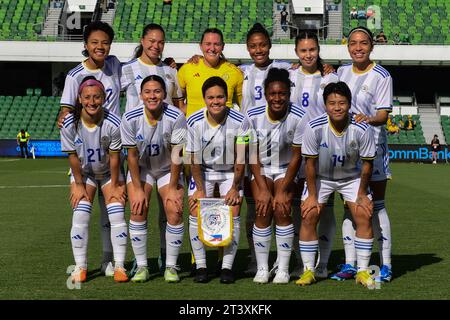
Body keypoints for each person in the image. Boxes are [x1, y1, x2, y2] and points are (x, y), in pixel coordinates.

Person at [296, 81, 376, 288]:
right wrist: (312, 196)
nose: (337, 107)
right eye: (332, 103)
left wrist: (361, 194)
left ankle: (363, 271)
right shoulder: (314, 127)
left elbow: (367, 164)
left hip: (351, 177)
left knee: (363, 213)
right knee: (309, 214)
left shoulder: (362, 128)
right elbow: (310, 164)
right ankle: (308, 270)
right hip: (322, 177)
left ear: (349, 104)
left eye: (342, 102)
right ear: (325, 105)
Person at [58, 21, 122, 277]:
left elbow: (143, 66)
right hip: (85, 158)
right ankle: (82, 266)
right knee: (82, 210)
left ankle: (111, 261)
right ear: (85, 45)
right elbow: (66, 110)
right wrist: (76, 181)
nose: (100, 46)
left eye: (104, 42)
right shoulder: (75, 76)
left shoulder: (115, 65)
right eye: (94, 42)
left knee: (112, 211)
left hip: (112, 150)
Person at [335, 26, 393, 282]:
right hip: (348, 149)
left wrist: (367, 119)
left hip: (374, 147)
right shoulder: (341, 71)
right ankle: (350, 264)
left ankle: (386, 264)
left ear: (371, 46)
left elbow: (383, 114)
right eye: (353, 43)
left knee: (376, 205)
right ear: (348, 46)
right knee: (350, 206)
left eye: (363, 43)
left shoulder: (382, 75)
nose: (358, 47)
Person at [60, 77, 128, 283]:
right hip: (85, 174)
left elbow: (115, 157)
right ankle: (80, 266)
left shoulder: (114, 123)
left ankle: (118, 266)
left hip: (109, 173)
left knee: (116, 214)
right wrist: (78, 185)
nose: (92, 102)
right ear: (79, 98)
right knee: (80, 214)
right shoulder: (69, 124)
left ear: (104, 98)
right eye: (87, 97)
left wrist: (115, 185)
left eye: (97, 97)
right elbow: (72, 156)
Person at [120, 75, 186, 283]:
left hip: (168, 169)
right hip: (142, 169)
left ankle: (170, 266)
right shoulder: (130, 118)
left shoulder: (176, 116)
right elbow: (131, 156)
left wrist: (174, 187)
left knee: (174, 210)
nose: (152, 96)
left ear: (165, 95)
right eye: (147, 92)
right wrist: (138, 188)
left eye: (157, 91)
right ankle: (141, 267)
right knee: (138, 208)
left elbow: (177, 154)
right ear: (140, 95)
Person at [239, 22, 292, 276]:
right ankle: (255, 259)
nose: (258, 49)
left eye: (262, 45)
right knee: (256, 208)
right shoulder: (241, 71)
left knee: (284, 207)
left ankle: (285, 262)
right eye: (253, 46)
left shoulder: (284, 68)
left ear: (269, 46)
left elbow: (310, 71)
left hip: (283, 145)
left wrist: (325, 67)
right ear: (247, 49)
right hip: (252, 144)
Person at [247, 68, 307, 284]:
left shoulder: (300, 116)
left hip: (285, 168)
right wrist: (263, 189)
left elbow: (297, 157)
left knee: (282, 209)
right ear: (265, 95)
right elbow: (251, 154)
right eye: (272, 94)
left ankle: (282, 268)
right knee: (262, 211)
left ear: (289, 94)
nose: (277, 98)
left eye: (282, 93)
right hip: (260, 168)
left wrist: (282, 190)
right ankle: (262, 268)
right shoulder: (252, 115)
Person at [186, 76, 248, 284]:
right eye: (211, 97)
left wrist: (235, 187)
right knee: (195, 208)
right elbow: (193, 159)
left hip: (231, 172)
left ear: (227, 97)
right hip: (203, 171)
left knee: (234, 210)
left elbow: (242, 157)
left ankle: (226, 267)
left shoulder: (241, 120)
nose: (215, 101)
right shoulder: (194, 121)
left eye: (220, 97)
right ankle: (202, 266)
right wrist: (200, 190)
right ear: (204, 99)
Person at [290, 31, 339, 279]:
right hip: (294, 152)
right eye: (303, 50)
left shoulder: (331, 77)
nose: (308, 54)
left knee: (326, 207)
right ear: (296, 53)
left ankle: (324, 262)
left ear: (318, 51)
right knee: (301, 208)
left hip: (323, 151)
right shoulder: (289, 75)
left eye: (312, 50)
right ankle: (302, 261)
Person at [177, 27, 243, 118]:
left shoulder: (234, 72)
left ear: (223, 46)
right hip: (194, 130)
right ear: (201, 46)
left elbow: (244, 106)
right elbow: (177, 105)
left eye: (216, 44)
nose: (212, 48)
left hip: (224, 129)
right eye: (208, 44)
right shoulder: (187, 69)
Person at [121, 23, 185, 114]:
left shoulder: (171, 70)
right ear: (142, 41)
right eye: (152, 41)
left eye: (161, 43)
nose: (156, 46)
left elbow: (179, 106)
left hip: (166, 127)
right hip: (136, 127)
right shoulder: (126, 69)